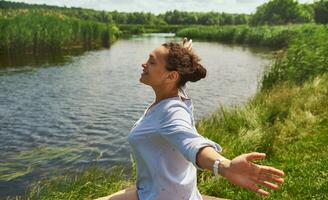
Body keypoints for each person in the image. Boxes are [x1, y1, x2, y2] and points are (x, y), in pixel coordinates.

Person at [95, 38, 284, 200]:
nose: (144, 64)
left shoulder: (172, 112)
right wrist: (184, 52)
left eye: (151, 62)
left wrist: (224, 166)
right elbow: (180, 73)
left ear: (171, 76)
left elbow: (193, 143)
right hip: (161, 192)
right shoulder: (177, 92)